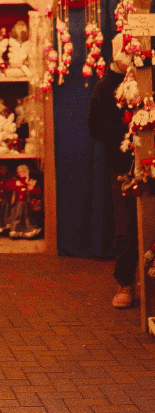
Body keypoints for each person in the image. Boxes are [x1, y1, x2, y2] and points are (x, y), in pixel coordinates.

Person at [87, 41, 137, 307]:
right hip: (122, 166)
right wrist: (126, 134)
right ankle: (125, 283)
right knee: (125, 228)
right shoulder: (105, 87)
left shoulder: (147, 78)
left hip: (150, 162)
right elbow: (95, 127)